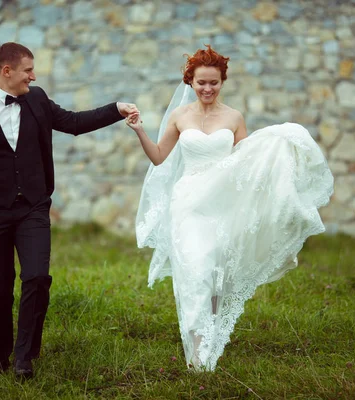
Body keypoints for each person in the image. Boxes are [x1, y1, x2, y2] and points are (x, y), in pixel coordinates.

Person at [0, 42, 139, 378]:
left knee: (37, 277)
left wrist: (115, 109)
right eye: (28, 70)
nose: (34, 75)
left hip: (32, 207)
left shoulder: (37, 99)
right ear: (7, 71)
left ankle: (24, 357)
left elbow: (73, 122)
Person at [126, 45, 334, 371]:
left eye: (214, 83)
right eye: (201, 83)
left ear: (222, 81)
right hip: (189, 204)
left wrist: (278, 148)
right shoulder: (180, 117)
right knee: (195, 269)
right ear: (190, 83)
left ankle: (209, 337)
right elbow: (159, 157)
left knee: (216, 274)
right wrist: (140, 130)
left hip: (221, 203)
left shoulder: (234, 117)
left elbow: (244, 163)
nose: (207, 89)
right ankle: (197, 356)